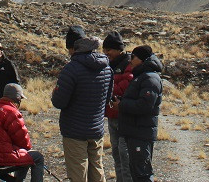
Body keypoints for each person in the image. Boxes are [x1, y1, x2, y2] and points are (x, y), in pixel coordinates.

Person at [51, 26, 112, 182]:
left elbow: (59, 102)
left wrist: (55, 93)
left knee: (78, 174)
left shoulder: (71, 69)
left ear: (73, 47)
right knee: (97, 170)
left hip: (74, 131)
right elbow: (107, 99)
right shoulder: (106, 67)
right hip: (96, 128)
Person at [117, 45, 163, 182]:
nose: (130, 60)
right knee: (137, 173)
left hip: (141, 134)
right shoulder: (142, 76)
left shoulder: (150, 78)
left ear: (142, 59)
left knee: (142, 174)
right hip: (136, 132)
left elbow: (144, 105)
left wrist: (121, 105)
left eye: (133, 57)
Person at [0, 83, 44, 182]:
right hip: (4, 158)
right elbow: (24, 142)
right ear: (17, 99)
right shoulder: (13, 112)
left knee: (23, 155)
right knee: (38, 158)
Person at [103, 32, 134, 182]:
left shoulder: (128, 63)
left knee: (124, 154)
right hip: (112, 116)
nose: (106, 53)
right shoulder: (107, 64)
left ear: (118, 49)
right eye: (104, 49)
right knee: (116, 153)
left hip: (123, 117)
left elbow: (127, 84)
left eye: (109, 49)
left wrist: (107, 89)